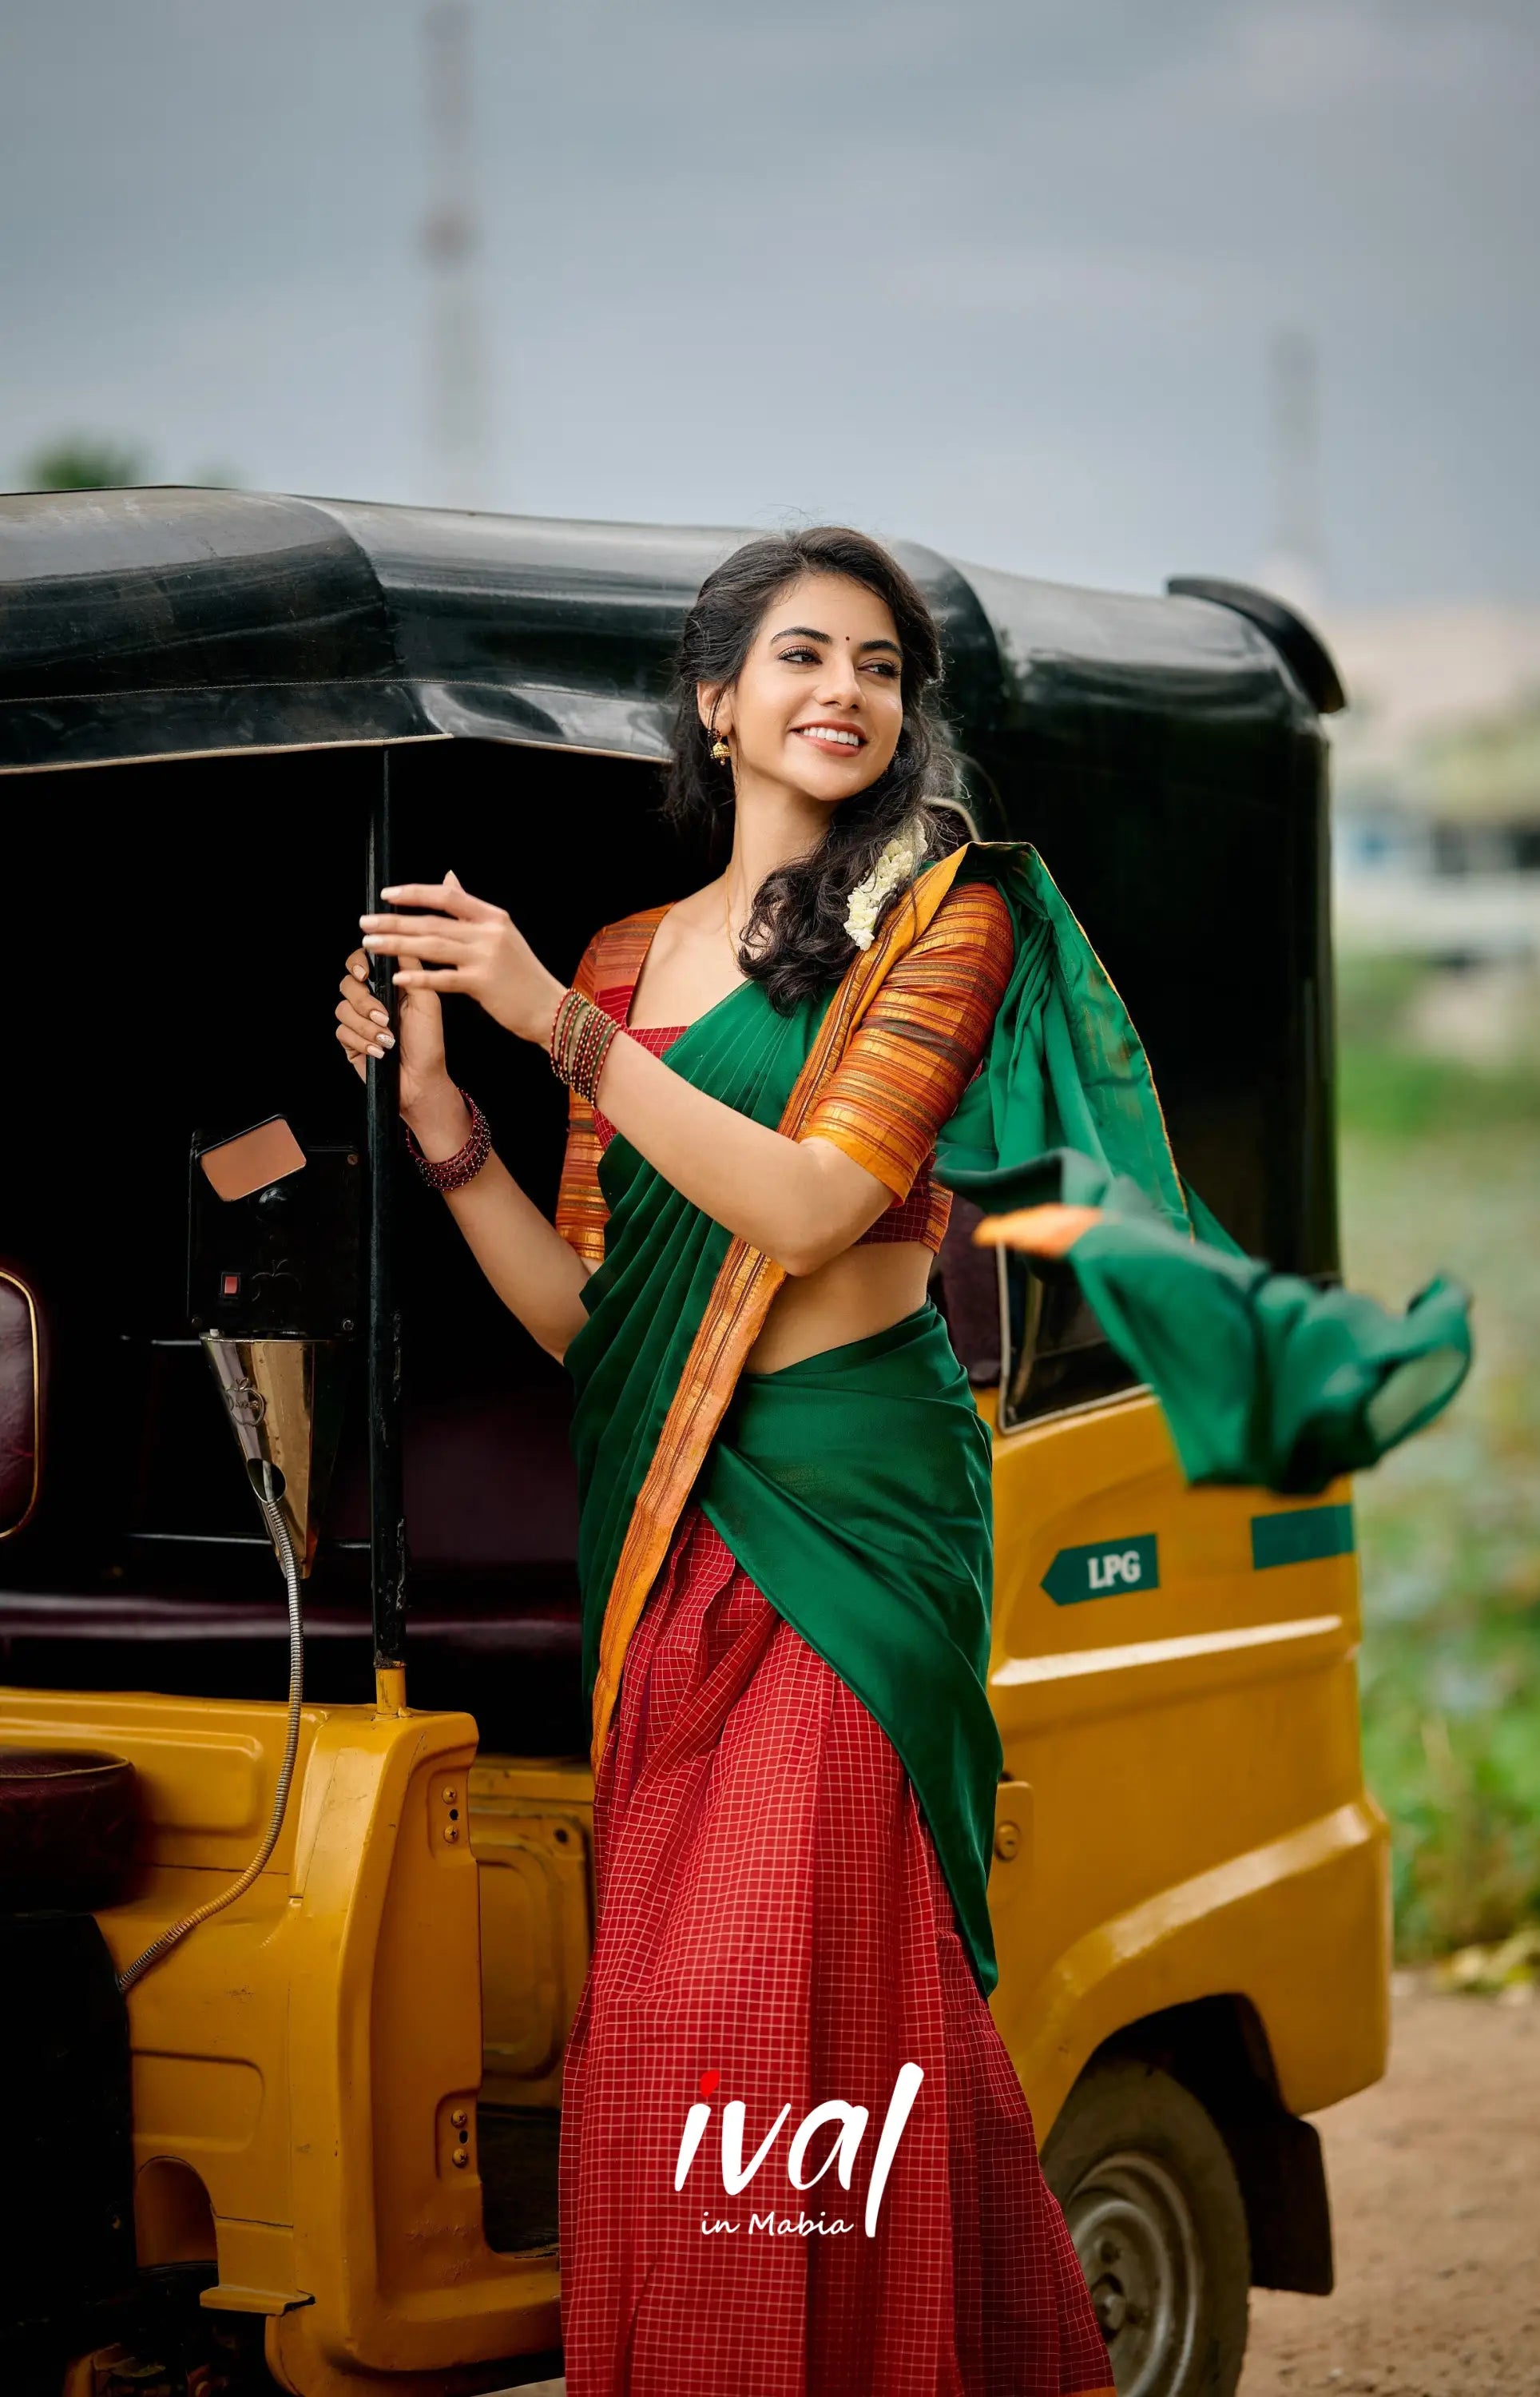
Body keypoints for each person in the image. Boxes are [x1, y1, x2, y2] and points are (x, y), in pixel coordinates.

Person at [337, 526, 1142, 2397]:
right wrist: (450, 1114)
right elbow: (591, 1322)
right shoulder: (633, 952)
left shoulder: (943, 917)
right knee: (686, 2015)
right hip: (672, 1530)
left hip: (854, 1526)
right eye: (800, 656)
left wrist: (553, 1025)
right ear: (718, 702)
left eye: (877, 665)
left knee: (792, 1998)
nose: (843, 693)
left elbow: (810, 1203)